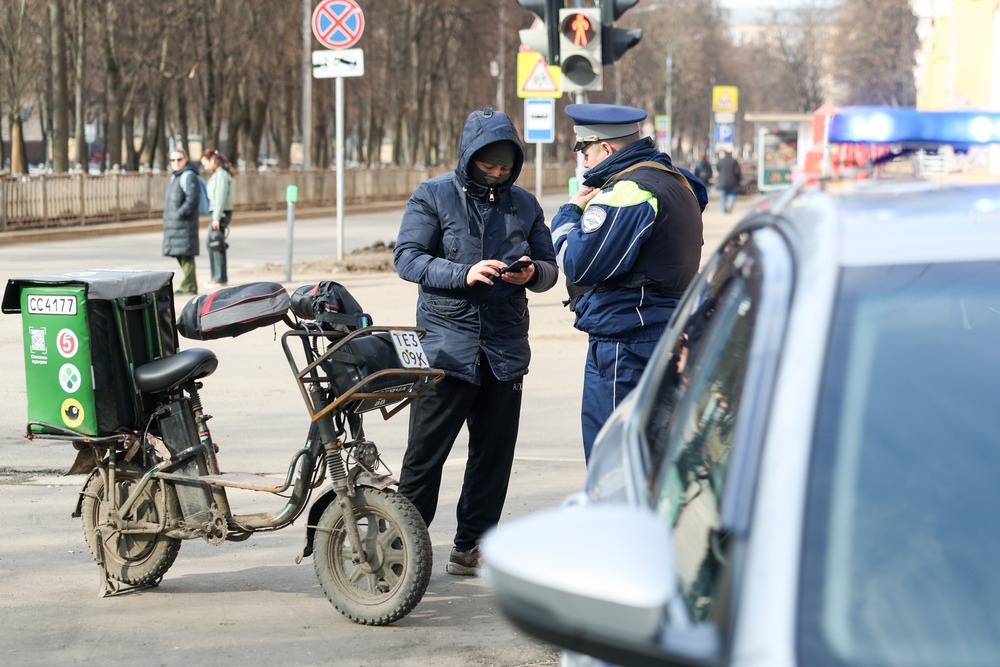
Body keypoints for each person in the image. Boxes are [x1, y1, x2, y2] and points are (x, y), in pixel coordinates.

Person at [393, 107, 558, 576]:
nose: (497, 173)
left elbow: (550, 268)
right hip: (445, 349)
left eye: (506, 167)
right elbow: (407, 258)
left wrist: (532, 273)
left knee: (493, 458)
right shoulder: (433, 195)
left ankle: (472, 547)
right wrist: (463, 273)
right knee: (425, 457)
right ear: (469, 156)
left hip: (504, 352)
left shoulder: (525, 204)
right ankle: (400, 551)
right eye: (489, 164)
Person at [550, 103, 707, 461]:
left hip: (626, 342)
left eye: (585, 150)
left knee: (613, 458)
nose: (584, 160)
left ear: (606, 148)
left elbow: (578, 265)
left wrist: (568, 215)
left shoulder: (629, 191)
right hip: (663, 332)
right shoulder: (673, 178)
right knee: (651, 455)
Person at [163, 148, 201, 295]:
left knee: (186, 255)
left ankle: (189, 285)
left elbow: (192, 199)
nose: (176, 162)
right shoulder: (175, 176)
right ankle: (189, 284)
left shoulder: (188, 176)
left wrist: (180, 213)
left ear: (186, 160)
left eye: (179, 159)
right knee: (181, 254)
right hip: (175, 224)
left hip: (184, 223)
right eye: (173, 160)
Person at [200, 148, 235, 288]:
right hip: (219, 213)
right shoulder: (219, 174)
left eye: (205, 163)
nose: (205, 167)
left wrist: (216, 217)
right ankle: (218, 277)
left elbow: (220, 197)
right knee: (215, 243)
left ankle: (219, 278)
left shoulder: (221, 175)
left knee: (214, 244)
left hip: (220, 213)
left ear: (212, 160)